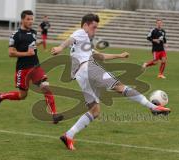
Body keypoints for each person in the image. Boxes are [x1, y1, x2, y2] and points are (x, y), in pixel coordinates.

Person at [51, 14, 171, 150]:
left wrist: (119, 55)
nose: (94, 30)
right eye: (93, 27)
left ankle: (68, 135)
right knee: (119, 87)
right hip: (88, 68)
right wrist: (60, 47)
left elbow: (100, 56)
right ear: (85, 25)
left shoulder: (84, 43)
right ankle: (153, 107)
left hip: (81, 76)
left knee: (94, 111)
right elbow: (70, 39)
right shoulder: (80, 33)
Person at [0, 10, 62, 124]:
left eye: (32, 19)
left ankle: (54, 115)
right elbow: (11, 53)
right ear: (22, 20)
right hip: (22, 69)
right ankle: (1, 96)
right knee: (22, 95)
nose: (31, 21)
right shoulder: (15, 35)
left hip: (35, 66)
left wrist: (40, 45)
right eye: (28, 19)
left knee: (46, 87)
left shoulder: (34, 32)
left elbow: (32, 46)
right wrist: (26, 53)